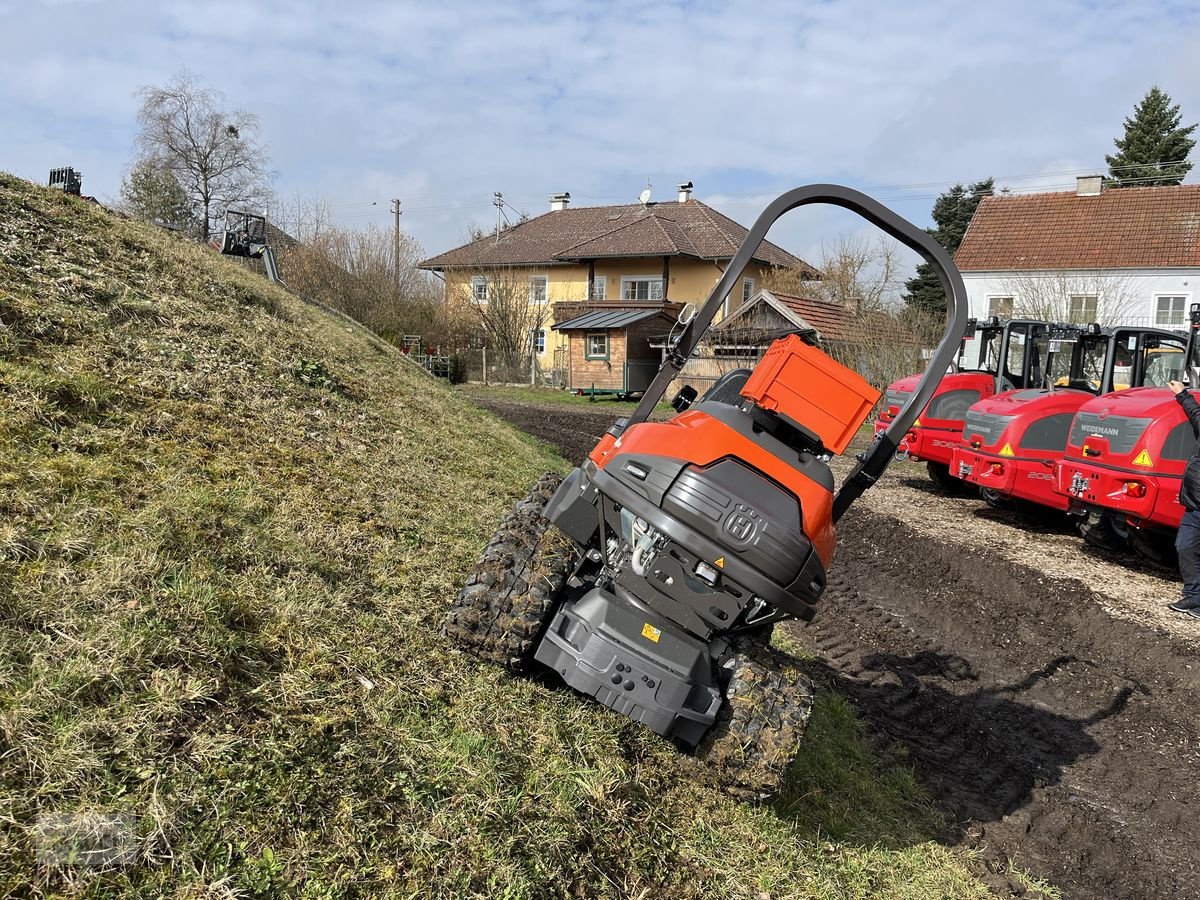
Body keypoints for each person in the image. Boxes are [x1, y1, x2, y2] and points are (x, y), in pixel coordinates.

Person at [1169, 379, 1200, 617]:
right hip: (1194, 503)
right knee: (1184, 547)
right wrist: (1181, 393)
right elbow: (1195, 413)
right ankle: (1194, 598)